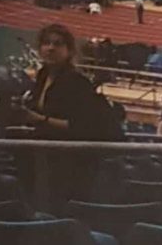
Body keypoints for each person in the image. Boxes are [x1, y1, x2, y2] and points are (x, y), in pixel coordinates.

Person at [18, 24, 124, 206]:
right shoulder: (42, 76)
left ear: (69, 51)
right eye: (46, 43)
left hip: (70, 161)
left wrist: (40, 120)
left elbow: (82, 126)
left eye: (58, 44)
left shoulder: (77, 82)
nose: (51, 48)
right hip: (44, 156)